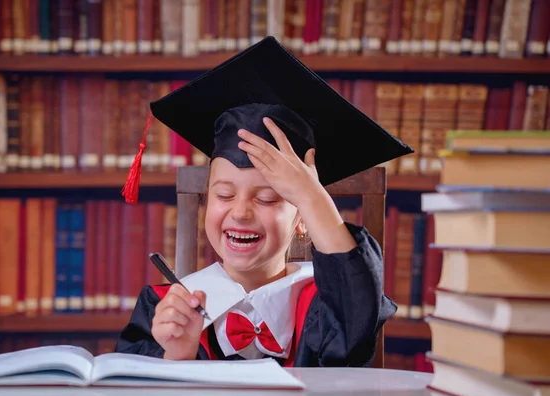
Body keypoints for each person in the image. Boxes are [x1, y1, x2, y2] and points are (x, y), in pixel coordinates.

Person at [116, 36, 413, 367]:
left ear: (303, 218)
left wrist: (313, 196)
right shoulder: (163, 307)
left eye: (269, 198)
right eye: (224, 194)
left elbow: (357, 316)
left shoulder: (326, 308)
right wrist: (176, 355)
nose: (240, 212)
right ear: (205, 203)